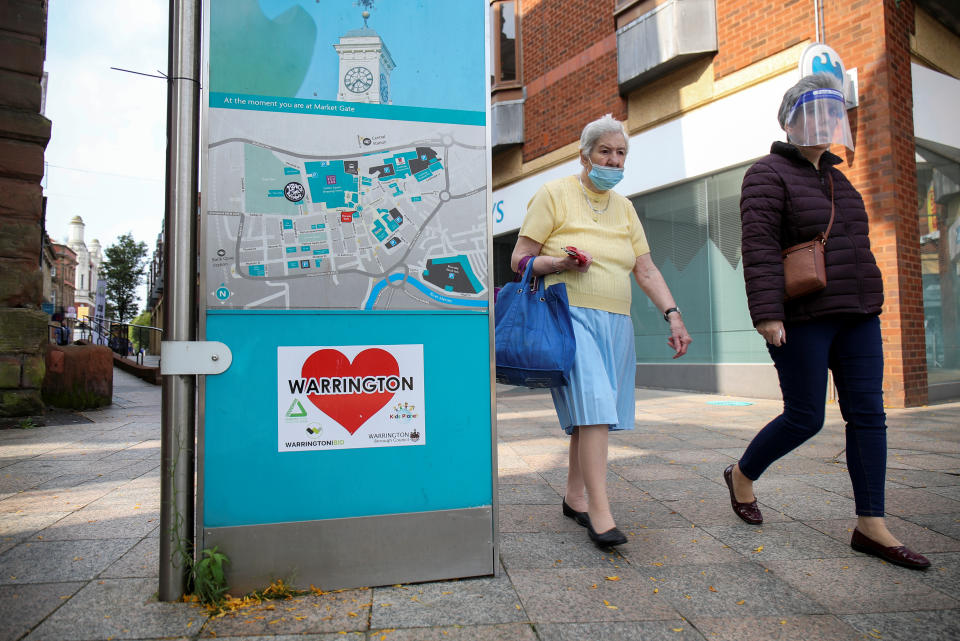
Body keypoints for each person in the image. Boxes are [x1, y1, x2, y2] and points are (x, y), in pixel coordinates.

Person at [726, 73, 930, 569]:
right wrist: (768, 313)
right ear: (790, 120)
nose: (824, 123)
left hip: (858, 314)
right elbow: (757, 249)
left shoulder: (840, 180)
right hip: (802, 317)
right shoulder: (766, 174)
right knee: (806, 416)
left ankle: (871, 524)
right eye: (812, 113)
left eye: (831, 114)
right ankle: (741, 474)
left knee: (868, 415)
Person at [510, 114, 692, 547]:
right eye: (605, 152)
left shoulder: (626, 208)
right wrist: (558, 263)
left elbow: (645, 269)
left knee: (594, 417)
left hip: (617, 323)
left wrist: (673, 315)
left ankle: (574, 497)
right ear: (584, 155)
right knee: (593, 407)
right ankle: (600, 510)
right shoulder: (553, 195)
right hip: (568, 316)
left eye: (620, 152)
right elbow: (520, 259)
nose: (613, 159)